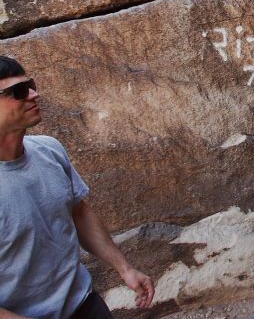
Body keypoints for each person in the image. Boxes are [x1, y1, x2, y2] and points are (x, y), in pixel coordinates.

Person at [0, 56, 154, 318]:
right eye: (19, 91)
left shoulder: (49, 149)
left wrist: (124, 268)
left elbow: (79, 212)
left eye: (31, 84)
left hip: (84, 305)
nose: (34, 94)